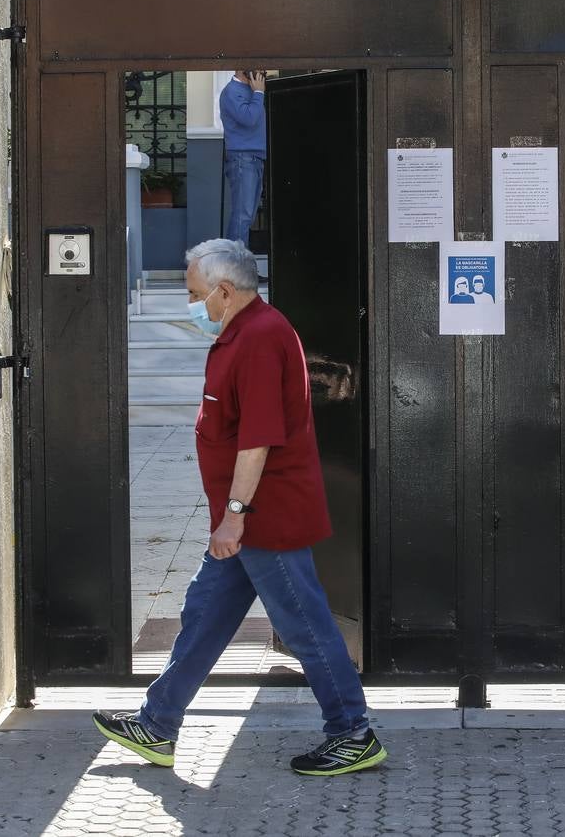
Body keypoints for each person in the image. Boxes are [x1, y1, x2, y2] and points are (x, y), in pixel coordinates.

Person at [93, 239, 387, 777]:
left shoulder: (259, 339)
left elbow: (257, 441)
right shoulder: (243, 333)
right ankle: (157, 724)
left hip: (262, 518)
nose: (193, 304)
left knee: (304, 625)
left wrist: (234, 514)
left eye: (195, 294)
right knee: (205, 613)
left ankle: (353, 733)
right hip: (246, 518)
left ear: (224, 292)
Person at [219, 71, 267, 246]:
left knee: (247, 216)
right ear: (241, 68)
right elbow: (249, 118)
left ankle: (241, 267)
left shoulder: (253, 90)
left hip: (255, 157)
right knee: (242, 216)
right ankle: (236, 270)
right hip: (242, 158)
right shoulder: (231, 92)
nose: (262, 71)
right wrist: (259, 93)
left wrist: (258, 93)